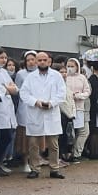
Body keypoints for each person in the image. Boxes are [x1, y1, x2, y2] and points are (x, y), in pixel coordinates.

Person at [20, 51, 66, 180]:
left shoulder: (56, 76)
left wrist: (51, 103)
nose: (42, 62)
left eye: (44, 60)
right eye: (39, 60)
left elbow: (61, 93)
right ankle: (35, 168)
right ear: (36, 61)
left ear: (49, 61)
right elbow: (24, 93)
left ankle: (54, 169)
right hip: (36, 112)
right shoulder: (30, 77)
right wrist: (36, 102)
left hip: (51, 112)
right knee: (33, 144)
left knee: (53, 144)